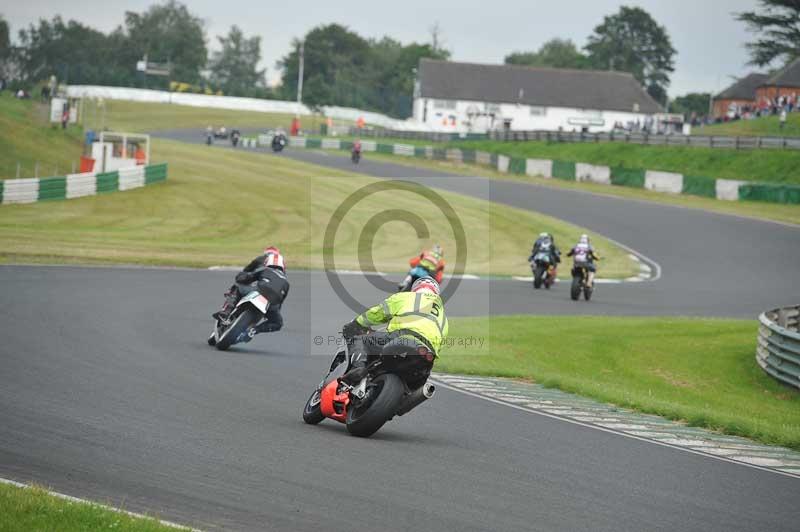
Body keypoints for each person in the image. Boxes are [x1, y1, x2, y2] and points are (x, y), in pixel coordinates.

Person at [340, 277, 447, 386]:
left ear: (415, 288)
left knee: (360, 340)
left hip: (403, 336)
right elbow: (441, 344)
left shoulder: (406, 297)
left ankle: (357, 369)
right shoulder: (443, 317)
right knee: (414, 387)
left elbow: (379, 313)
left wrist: (357, 323)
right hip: (427, 353)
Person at [211, 246, 289, 341]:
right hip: (271, 304)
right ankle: (254, 330)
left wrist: (241, 276)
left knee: (238, 286)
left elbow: (246, 277)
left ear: (267, 261)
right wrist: (274, 312)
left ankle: (226, 312)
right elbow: (281, 301)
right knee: (278, 323)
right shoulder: (286, 282)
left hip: (259, 292)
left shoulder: (265, 269)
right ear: (283, 266)